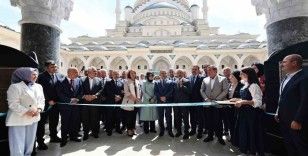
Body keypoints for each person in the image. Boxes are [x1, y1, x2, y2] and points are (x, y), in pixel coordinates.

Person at [6, 67, 45, 156]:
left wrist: (39, 109)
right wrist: (27, 111)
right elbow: (12, 104)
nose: (36, 76)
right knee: (18, 143)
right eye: (33, 74)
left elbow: (42, 100)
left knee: (30, 142)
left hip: (34, 118)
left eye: (36, 74)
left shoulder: (39, 86)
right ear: (24, 75)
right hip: (18, 118)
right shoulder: (15, 87)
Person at [275, 54, 308, 156]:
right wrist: (278, 112)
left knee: (301, 148)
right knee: (290, 147)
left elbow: (305, 101)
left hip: (297, 122)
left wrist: (298, 120)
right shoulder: (286, 78)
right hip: (284, 120)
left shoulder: (304, 77)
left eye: (284, 62)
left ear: (294, 63)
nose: (282, 65)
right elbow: (282, 98)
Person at [235, 67, 263, 155]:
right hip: (244, 113)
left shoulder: (254, 85)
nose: (239, 75)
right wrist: (237, 99)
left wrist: (243, 102)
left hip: (251, 114)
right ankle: (245, 150)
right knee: (244, 131)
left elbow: (258, 102)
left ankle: (252, 151)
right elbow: (246, 97)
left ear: (246, 74)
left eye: (241, 73)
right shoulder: (246, 84)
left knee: (251, 132)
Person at [35, 60, 62, 151]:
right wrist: (48, 100)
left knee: (54, 121)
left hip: (56, 103)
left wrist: (57, 100)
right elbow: (41, 90)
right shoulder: (41, 77)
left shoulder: (58, 76)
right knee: (41, 123)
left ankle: (53, 136)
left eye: (55, 67)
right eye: (52, 67)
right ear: (46, 68)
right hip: (45, 104)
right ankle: (40, 141)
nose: (55, 68)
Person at [200, 65, 229, 145]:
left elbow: (225, 90)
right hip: (208, 104)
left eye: (210, 70)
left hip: (218, 104)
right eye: (207, 70)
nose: (208, 72)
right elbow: (202, 90)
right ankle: (210, 136)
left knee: (218, 121)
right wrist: (206, 99)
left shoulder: (223, 79)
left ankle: (219, 137)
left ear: (215, 71)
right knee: (208, 121)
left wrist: (216, 100)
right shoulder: (205, 79)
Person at [56, 67, 83, 147]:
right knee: (65, 123)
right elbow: (59, 94)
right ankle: (64, 139)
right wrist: (70, 100)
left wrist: (77, 99)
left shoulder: (78, 81)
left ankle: (73, 136)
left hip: (75, 106)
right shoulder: (60, 82)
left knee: (74, 122)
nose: (77, 74)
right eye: (75, 72)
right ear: (69, 73)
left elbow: (81, 92)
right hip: (65, 107)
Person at [81, 66, 103, 140]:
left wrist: (95, 96)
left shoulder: (99, 80)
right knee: (85, 119)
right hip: (85, 103)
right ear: (88, 72)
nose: (95, 72)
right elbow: (80, 89)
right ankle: (86, 133)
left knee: (95, 119)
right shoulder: (82, 79)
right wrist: (85, 96)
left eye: (95, 71)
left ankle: (95, 132)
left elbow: (101, 90)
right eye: (93, 71)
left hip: (95, 103)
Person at [103, 71, 124, 136]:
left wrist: (120, 97)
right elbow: (107, 91)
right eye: (115, 74)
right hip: (110, 102)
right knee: (109, 118)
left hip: (118, 103)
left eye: (117, 74)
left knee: (118, 117)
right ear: (112, 75)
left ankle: (118, 129)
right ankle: (109, 130)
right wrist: (115, 96)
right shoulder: (108, 82)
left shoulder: (121, 83)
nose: (116, 75)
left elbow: (123, 92)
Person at [154, 70, 174, 137]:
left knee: (169, 116)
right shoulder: (156, 82)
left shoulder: (170, 82)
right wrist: (160, 97)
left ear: (166, 74)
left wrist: (165, 97)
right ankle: (161, 130)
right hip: (160, 102)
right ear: (159, 74)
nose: (163, 74)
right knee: (160, 117)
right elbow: (156, 91)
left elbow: (171, 91)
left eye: (164, 73)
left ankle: (170, 130)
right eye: (162, 73)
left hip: (168, 101)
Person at [121, 70, 141, 136]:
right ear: (129, 74)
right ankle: (129, 130)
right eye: (131, 73)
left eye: (134, 73)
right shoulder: (126, 81)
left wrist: (139, 97)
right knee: (129, 117)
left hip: (136, 102)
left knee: (134, 117)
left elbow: (139, 90)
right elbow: (126, 92)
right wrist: (134, 98)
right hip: (129, 101)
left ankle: (133, 129)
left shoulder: (137, 81)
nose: (133, 74)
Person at [227, 70, 244, 147]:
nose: (230, 77)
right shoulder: (230, 85)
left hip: (237, 108)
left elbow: (243, 97)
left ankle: (237, 140)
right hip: (229, 107)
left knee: (237, 124)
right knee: (231, 124)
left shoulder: (241, 86)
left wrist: (236, 99)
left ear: (237, 78)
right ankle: (232, 138)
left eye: (232, 76)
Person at [173, 69, 191, 139]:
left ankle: (186, 133)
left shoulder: (187, 81)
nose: (179, 74)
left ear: (183, 74)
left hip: (184, 103)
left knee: (186, 119)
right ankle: (179, 131)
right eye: (178, 73)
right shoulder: (174, 82)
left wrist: (182, 86)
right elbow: (174, 93)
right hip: (176, 104)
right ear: (176, 74)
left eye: (180, 73)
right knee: (178, 118)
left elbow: (189, 91)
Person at [189, 65, 205, 139]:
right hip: (191, 102)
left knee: (200, 117)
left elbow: (203, 90)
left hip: (199, 101)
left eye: (195, 69)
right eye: (192, 69)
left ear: (198, 70)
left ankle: (200, 132)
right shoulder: (189, 78)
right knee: (192, 117)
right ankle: (193, 130)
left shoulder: (202, 78)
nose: (193, 71)